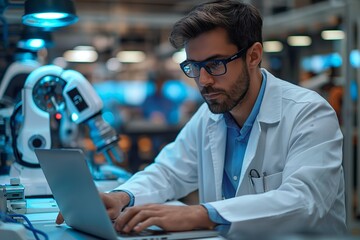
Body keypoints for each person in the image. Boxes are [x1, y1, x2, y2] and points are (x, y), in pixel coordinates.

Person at [56, 0, 346, 236]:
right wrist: (121, 197)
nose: (203, 80)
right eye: (194, 67)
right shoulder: (210, 116)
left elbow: (304, 202)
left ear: (254, 56)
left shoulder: (308, 112)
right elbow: (169, 172)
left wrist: (200, 214)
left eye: (215, 64)